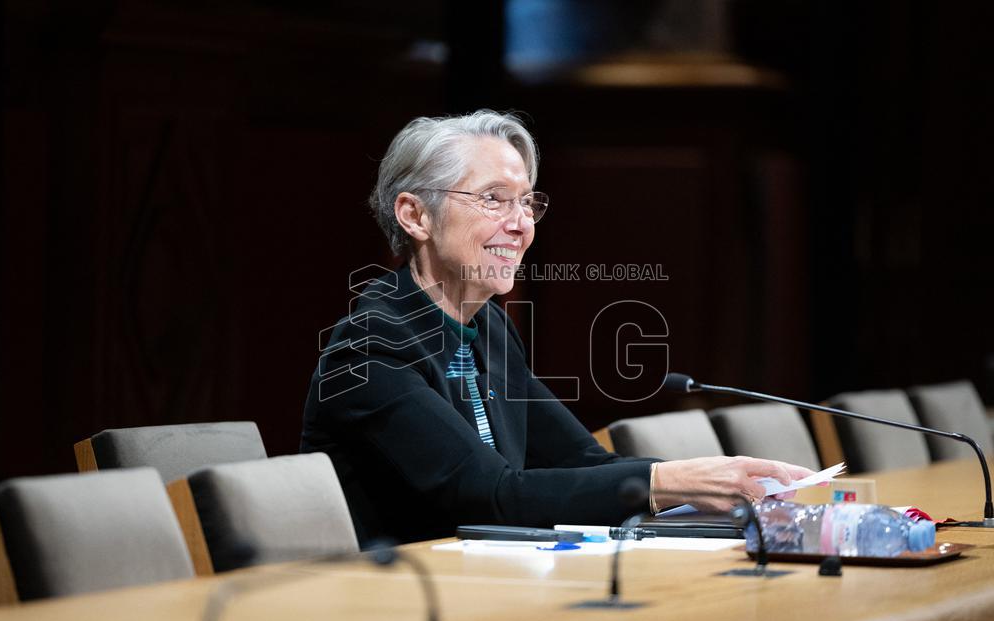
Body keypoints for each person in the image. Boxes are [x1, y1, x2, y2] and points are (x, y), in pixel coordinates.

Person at [301, 110, 812, 546]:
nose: (522, 224)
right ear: (415, 216)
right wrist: (669, 480)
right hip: (395, 611)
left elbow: (582, 459)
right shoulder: (370, 348)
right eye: (494, 199)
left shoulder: (490, 330)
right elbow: (492, 495)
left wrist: (719, 483)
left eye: (527, 202)